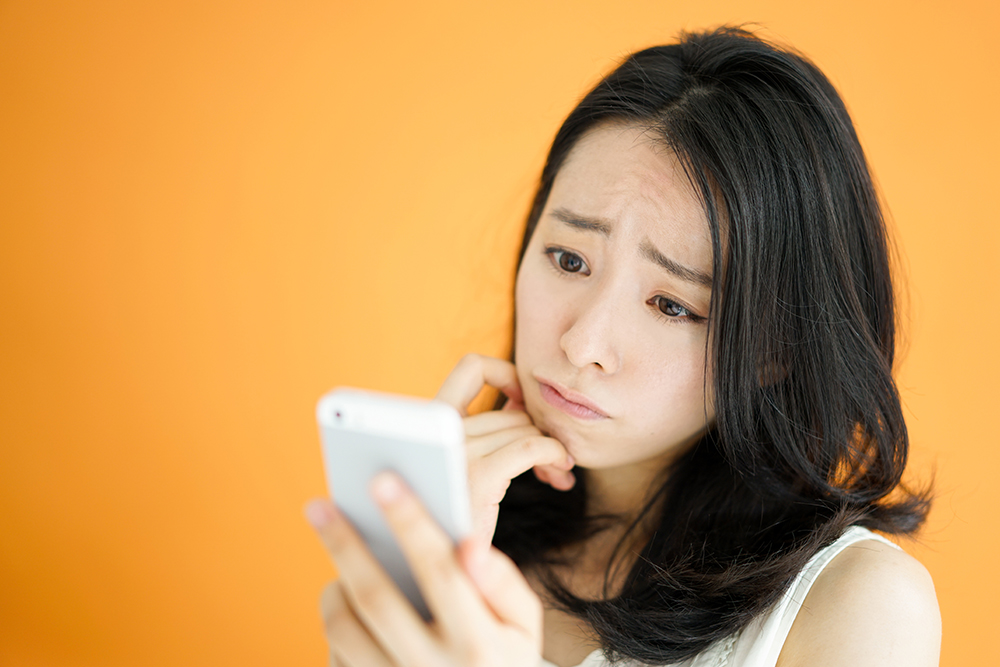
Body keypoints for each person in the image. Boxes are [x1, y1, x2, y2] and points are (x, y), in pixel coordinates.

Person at [304, 26, 941, 667]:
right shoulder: (465, 529)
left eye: (672, 305)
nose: (582, 344)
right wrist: (420, 572)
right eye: (568, 259)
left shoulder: (858, 604)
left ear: (774, 353)